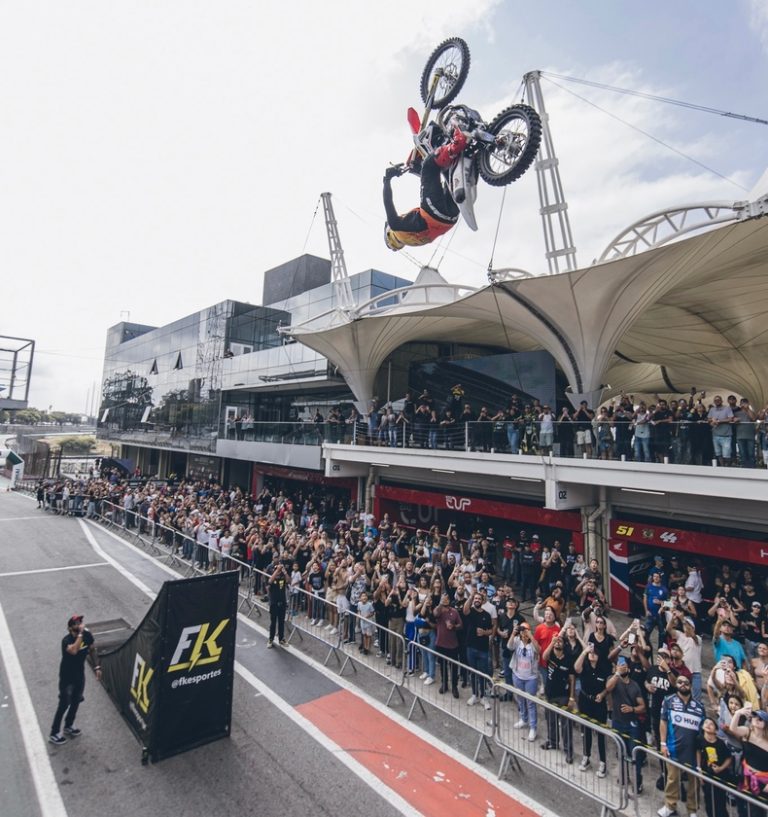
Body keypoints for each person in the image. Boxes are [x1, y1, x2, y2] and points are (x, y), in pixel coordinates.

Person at [382, 128, 467, 251]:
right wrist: (387, 179)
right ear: (390, 234)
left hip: (451, 218)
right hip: (433, 213)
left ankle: (472, 153)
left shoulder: (413, 239)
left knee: (450, 174)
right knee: (428, 166)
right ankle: (456, 144)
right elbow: (388, 203)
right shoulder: (397, 229)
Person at [49, 614, 102, 744]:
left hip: (79, 675)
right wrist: (81, 634)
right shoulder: (66, 640)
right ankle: (54, 732)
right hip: (67, 677)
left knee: (76, 700)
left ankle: (69, 725)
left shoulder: (87, 636)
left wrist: (97, 667)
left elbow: (92, 650)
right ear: (70, 628)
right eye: (76, 623)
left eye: (80, 622)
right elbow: (74, 650)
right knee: (64, 704)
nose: (79, 624)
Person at [657, 674, 705, 817]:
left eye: (686, 682)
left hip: (693, 751)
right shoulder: (668, 700)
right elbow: (663, 722)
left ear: (690, 685)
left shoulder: (700, 707)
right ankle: (670, 806)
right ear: (676, 684)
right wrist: (663, 743)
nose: (683, 684)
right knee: (672, 779)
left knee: (694, 782)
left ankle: (692, 810)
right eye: (679, 682)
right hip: (673, 748)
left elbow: (702, 730)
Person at [606, 655, 646, 794]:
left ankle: (637, 781)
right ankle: (624, 776)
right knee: (620, 752)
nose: (622, 667)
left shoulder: (634, 685)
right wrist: (617, 673)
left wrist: (632, 709)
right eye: (619, 664)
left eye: (624, 665)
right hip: (617, 722)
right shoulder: (613, 679)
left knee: (634, 754)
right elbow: (608, 687)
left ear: (628, 668)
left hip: (632, 724)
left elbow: (643, 706)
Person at [729, 706, 768, 817]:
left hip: (762, 782)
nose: (757, 719)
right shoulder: (747, 732)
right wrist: (738, 713)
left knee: (757, 812)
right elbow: (733, 729)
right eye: (755, 716)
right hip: (745, 776)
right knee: (742, 808)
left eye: (761, 719)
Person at [696, 716, 732, 817]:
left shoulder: (721, 743)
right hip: (706, 775)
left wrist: (721, 768)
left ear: (716, 730)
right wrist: (699, 770)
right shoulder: (699, 739)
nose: (708, 725)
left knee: (720, 802)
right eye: (706, 723)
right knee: (709, 801)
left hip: (720, 776)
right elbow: (698, 752)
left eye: (711, 723)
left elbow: (729, 758)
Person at [267, 560, 289, 647]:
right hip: (274, 602)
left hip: (282, 601)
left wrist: (284, 572)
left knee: (281, 622)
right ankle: (270, 639)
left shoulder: (283, 576)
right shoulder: (272, 574)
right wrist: (277, 571)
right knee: (273, 622)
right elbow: (270, 581)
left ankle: (281, 639)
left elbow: (289, 581)